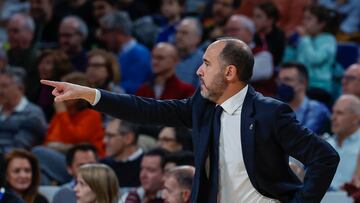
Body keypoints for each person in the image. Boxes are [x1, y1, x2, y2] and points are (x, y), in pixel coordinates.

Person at [41, 38, 340, 202]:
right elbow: (147, 109)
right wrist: (90, 94)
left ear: (229, 73)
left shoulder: (270, 113)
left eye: (207, 64)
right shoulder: (202, 106)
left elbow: (325, 157)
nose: (198, 70)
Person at [0, 68, 47, 153]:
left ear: (20, 88)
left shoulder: (33, 114)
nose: (0, 91)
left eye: (4, 86)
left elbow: (19, 149)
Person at [277, 62, 331, 134]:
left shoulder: (318, 110)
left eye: (287, 80)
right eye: (279, 80)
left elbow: (303, 138)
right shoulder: (275, 109)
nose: (281, 84)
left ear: (303, 84)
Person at [325, 95, 360, 190]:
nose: (333, 118)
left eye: (339, 113)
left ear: (356, 118)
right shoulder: (325, 144)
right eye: (333, 112)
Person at [100, 118, 144, 188]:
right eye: (105, 135)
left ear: (128, 138)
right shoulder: (102, 165)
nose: (104, 141)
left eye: (110, 136)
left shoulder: (147, 167)